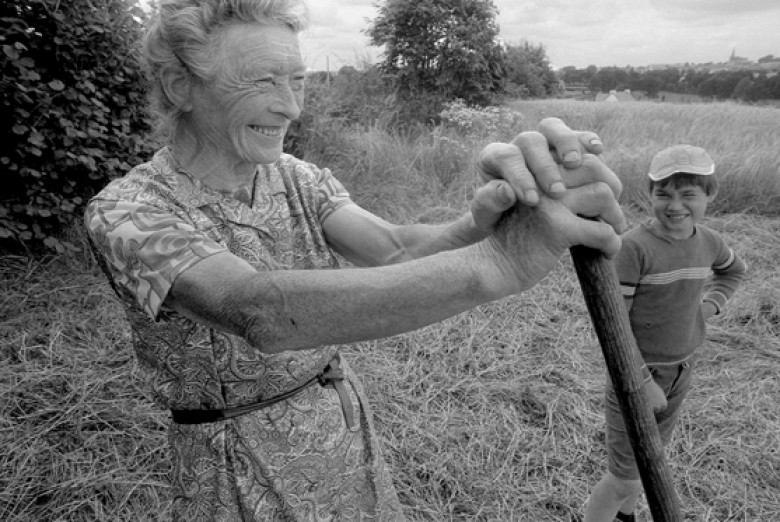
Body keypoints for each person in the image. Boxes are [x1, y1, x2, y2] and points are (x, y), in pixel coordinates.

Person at [84, 1, 625, 520]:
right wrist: (502, 260)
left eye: (296, 80)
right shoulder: (128, 214)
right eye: (262, 80)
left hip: (338, 426)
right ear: (181, 86)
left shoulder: (295, 177)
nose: (291, 106)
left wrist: (489, 221)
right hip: (235, 462)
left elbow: (393, 248)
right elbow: (257, 312)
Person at [584, 144, 747, 522]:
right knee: (624, 477)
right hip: (636, 374)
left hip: (681, 371)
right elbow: (615, 326)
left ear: (710, 194)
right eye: (663, 194)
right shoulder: (634, 248)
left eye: (688, 194)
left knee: (648, 462)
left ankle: (626, 518)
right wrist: (641, 382)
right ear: (650, 193)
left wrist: (708, 306)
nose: (675, 205)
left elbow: (733, 271)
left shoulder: (709, 242)